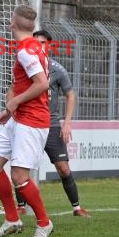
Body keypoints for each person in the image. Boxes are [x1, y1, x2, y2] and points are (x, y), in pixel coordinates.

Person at [0, 5, 53, 237]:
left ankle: (44, 223)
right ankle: (12, 219)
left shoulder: (26, 50)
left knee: (19, 176)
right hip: (20, 117)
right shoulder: (33, 46)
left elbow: (42, 84)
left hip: (32, 120)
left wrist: (14, 103)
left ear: (12, 23)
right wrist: (10, 109)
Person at [15, 30, 89, 217]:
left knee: (63, 167)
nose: (39, 45)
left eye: (43, 43)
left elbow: (70, 94)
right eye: (36, 42)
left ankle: (76, 207)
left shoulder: (56, 69)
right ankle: (21, 206)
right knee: (22, 166)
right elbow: (13, 88)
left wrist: (67, 123)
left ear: (49, 45)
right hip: (29, 122)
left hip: (52, 124)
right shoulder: (25, 63)